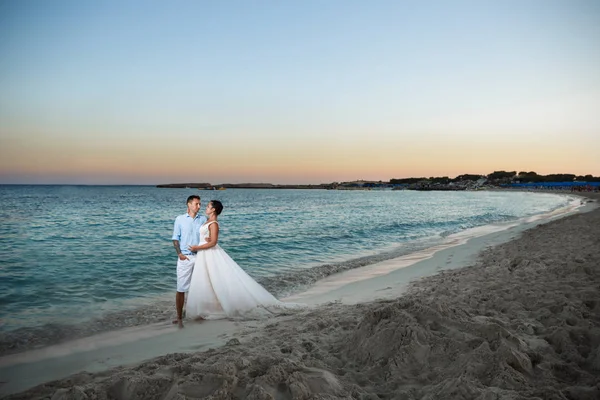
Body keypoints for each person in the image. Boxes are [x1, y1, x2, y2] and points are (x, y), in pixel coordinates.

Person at [186, 200, 303, 320]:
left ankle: (218, 306)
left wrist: (197, 247)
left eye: (208, 206)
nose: (206, 208)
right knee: (206, 279)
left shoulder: (214, 223)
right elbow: (209, 238)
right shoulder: (208, 221)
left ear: (213, 209)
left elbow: (214, 242)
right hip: (205, 254)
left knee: (215, 278)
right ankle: (210, 306)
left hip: (208, 253)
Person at [171, 195, 207, 328]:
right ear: (189, 205)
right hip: (185, 258)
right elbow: (175, 238)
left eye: (200, 204)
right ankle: (179, 317)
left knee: (199, 287)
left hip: (200, 257)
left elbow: (207, 236)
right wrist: (179, 253)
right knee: (181, 288)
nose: (199, 206)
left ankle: (199, 314)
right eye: (197, 204)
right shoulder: (179, 219)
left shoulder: (203, 219)